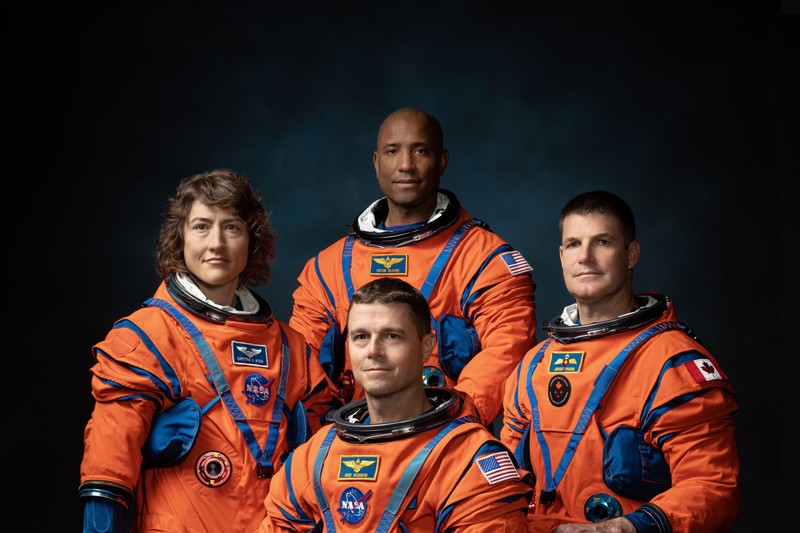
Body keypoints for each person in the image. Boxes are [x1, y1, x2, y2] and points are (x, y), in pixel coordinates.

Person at [79, 168, 338, 533]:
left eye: (231, 227)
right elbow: (108, 463)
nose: (216, 242)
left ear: (252, 240)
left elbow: (323, 465)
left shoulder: (291, 349)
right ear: (179, 238)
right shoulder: (147, 337)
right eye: (201, 226)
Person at [501, 190, 740, 532]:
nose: (585, 257)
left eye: (602, 242)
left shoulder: (671, 362)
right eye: (573, 244)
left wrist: (621, 528)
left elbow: (714, 487)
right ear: (561, 255)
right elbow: (503, 487)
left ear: (631, 254)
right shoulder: (533, 366)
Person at [289, 107, 538, 428]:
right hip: (350, 442)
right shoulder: (329, 267)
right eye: (393, 151)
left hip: (443, 443)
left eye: (420, 150)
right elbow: (300, 363)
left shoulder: (484, 258)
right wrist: (322, 438)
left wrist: (448, 424)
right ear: (377, 163)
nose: (406, 165)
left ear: (442, 161)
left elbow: (508, 349)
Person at [257, 276, 534, 532]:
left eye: (392, 336)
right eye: (361, 336)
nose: (374, 351)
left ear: (426, 346)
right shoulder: (315, 457)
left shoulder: (468, 459)